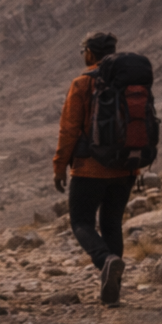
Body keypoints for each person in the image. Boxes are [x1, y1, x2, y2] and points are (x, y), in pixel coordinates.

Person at [54, 31, 138, 307]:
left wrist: (59, 166)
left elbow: (68, 130)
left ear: (89, 53)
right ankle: (113, 289)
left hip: (89, 169)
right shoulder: (131, 82)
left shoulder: (82, 83)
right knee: (112, 223)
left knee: (80, 222)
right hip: (125, 168)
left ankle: (106, 261)